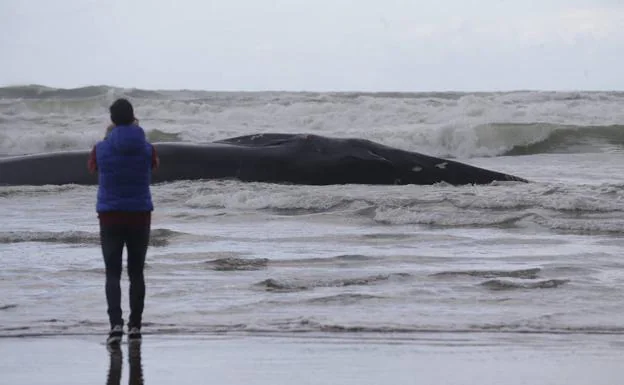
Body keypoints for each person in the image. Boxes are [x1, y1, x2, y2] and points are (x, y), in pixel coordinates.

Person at [88, 98, 159, 345]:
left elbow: (93, 169)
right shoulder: (147, 148)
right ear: (133, 117)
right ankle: (136, 327)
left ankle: (115, 325)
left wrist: (109, 138)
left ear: (112, 120)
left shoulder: (101, 148)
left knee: (112, 273)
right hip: (139, 215)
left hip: (110, 216)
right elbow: (154, 166)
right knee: (137, 272)